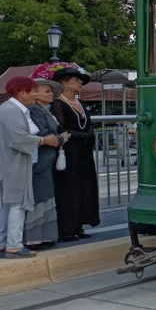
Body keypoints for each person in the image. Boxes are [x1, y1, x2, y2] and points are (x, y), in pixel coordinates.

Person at [1, 77, 62, 258]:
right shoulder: (11, 110)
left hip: (14, 162)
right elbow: (19, 138)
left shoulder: (14, 109)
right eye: (33, 91)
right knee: (17, 204)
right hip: (14, 163)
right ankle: (13, 245)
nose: (35, 95)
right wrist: (44, 140)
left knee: (8, 204)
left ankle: (5, 242)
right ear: (21, 93)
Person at [50, 67, 99, 241]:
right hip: (68, 153)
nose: (80, 83)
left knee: (84, 186)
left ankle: (79, 224)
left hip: (83, 152)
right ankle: (67, 228)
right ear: (65, 82)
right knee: (68, 188)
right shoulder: (57, 103)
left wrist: (89, 135)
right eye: (76, 80)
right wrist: (83, 135)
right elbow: (61, 129)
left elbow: (89, 124)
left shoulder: (81, 104)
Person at [24, 79, 65, 249]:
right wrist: (61, 138)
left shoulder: (43, 109)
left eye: (51, 91)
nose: (51, 94)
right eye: (46, 91)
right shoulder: (34, 110)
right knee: (40, 196)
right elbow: (41, 133)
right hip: (40, 159)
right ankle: (34, 238)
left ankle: (45, 236)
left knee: (46, 196)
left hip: (46, 158)